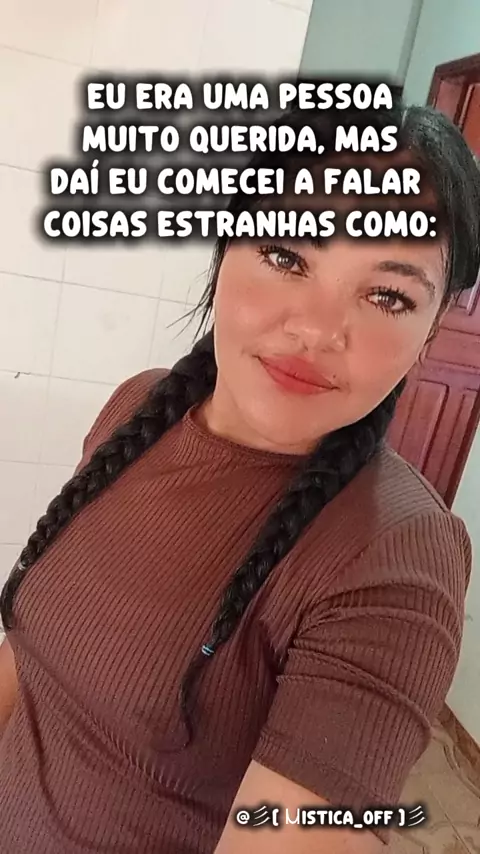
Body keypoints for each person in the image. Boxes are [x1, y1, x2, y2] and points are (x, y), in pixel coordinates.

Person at [0, 100, 479, 854]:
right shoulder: (139, 407)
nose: (316, 329)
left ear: (430, 331)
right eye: (287, 255)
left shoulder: (399, 555)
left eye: (387, 295)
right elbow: (31, 667)